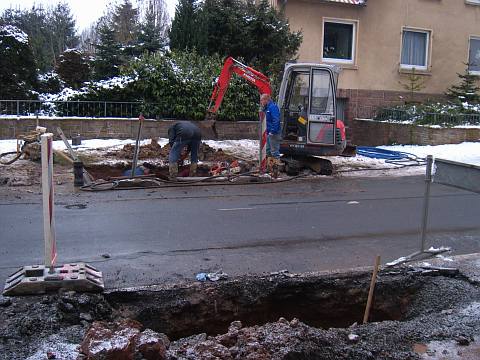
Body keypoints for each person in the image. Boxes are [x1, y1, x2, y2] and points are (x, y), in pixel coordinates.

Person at [260, 93, 281, 171]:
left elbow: (276, 120)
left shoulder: (273, 107)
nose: (261, 102)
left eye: (262, 100)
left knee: (274, 151)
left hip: (273, 133)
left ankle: (276, 170)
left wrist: (273, 131)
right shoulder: (266, 108)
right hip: (268, 133)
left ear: (266, 100)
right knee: (268, 151)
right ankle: (270, 168)